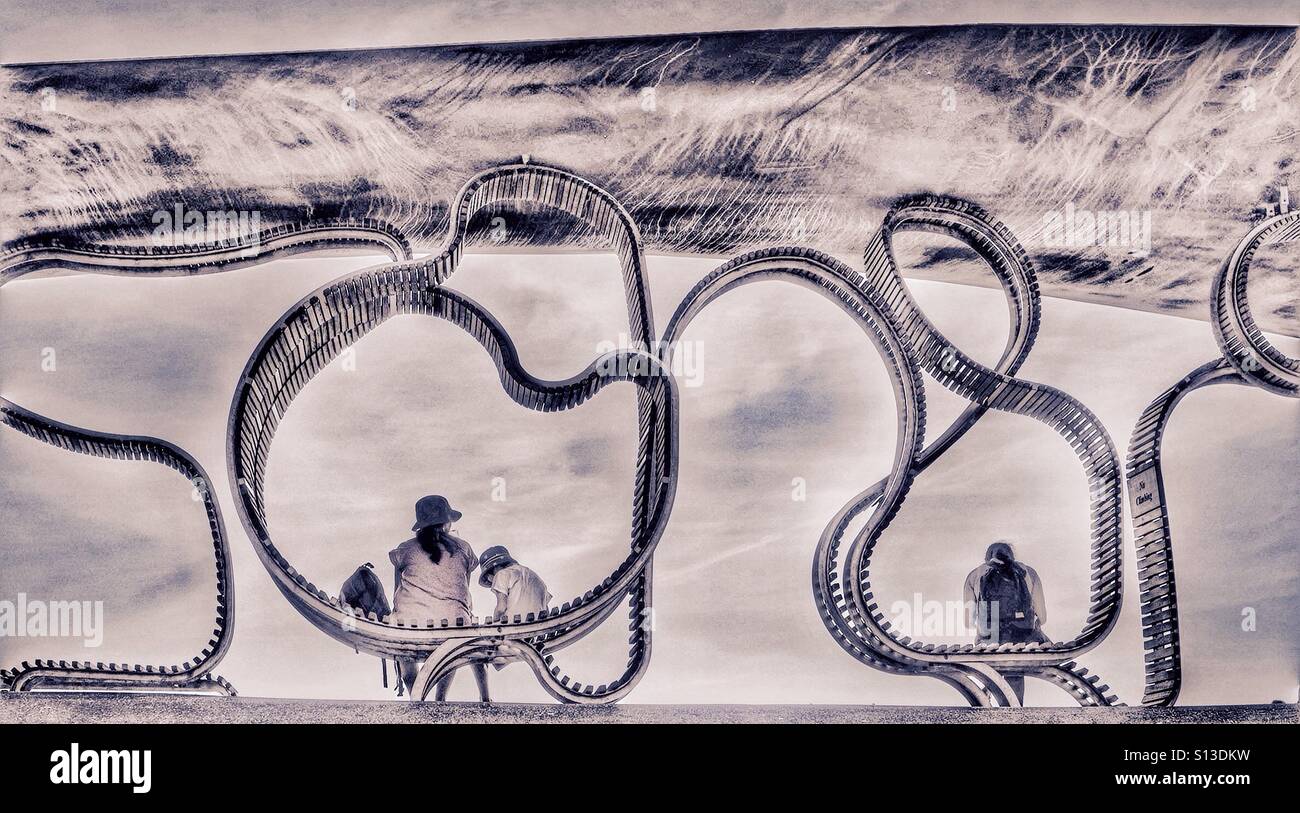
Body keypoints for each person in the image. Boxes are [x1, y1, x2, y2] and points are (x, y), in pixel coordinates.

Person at [388, 495, 489, 702]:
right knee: (453, 630)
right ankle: (440, 698)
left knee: (401, 626)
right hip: (453, 625)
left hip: (410, 626)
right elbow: (463, 589)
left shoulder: (404, 549)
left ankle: (416, 698)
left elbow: (397, 590)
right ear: (447, 522)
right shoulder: (463, 548)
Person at [963, 540, 1049, 704]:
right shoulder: (1028, 572)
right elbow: (1042, 617)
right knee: (1014, 673)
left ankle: (984, 703)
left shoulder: (975, 575)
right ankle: (1013, 712)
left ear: (987, 557)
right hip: (1022, 638)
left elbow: (968, 621)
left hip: (989, 639)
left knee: (987, 668)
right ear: (1012, 556)